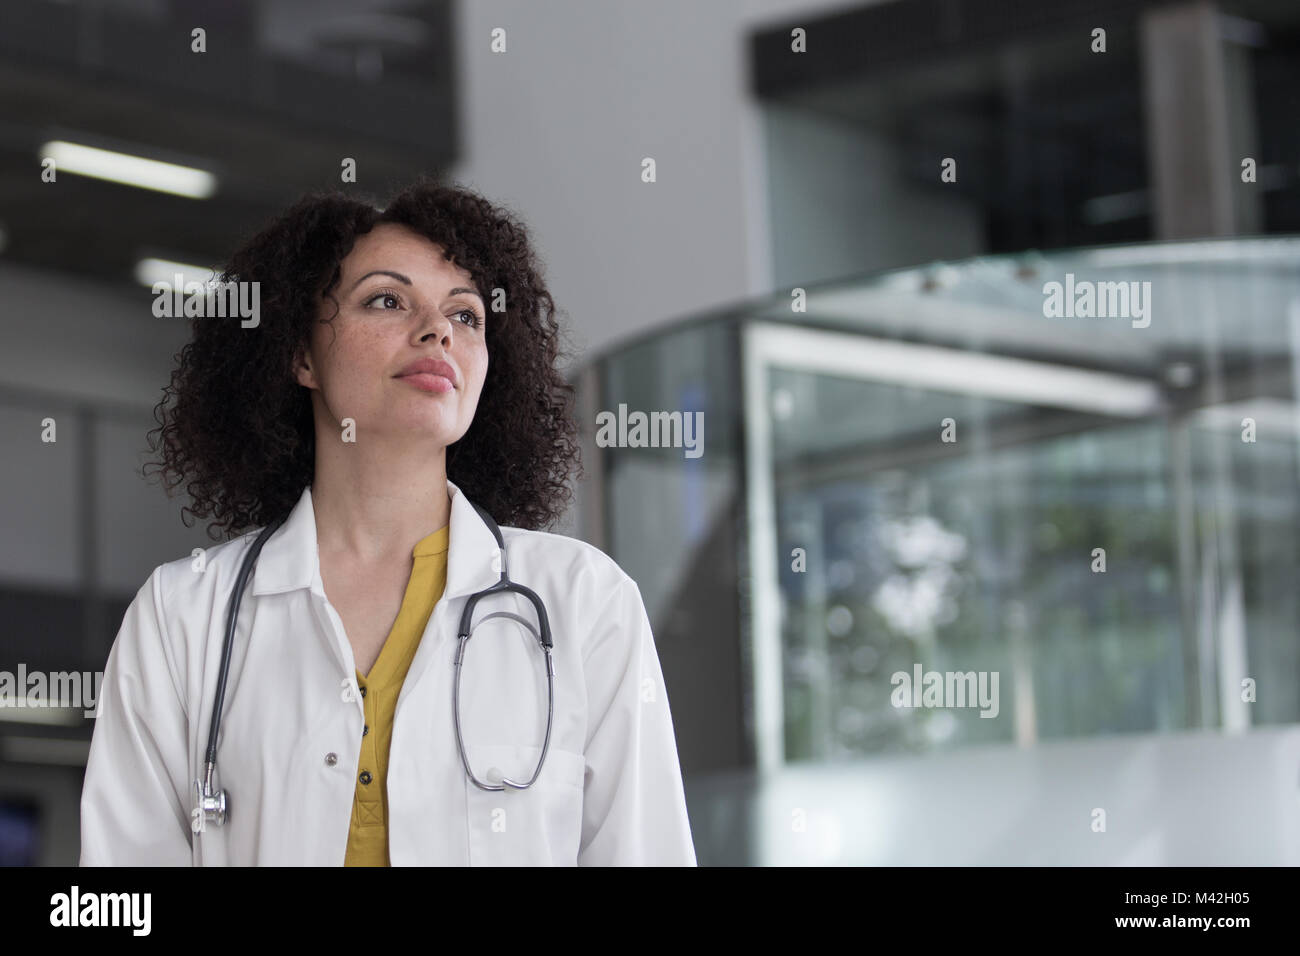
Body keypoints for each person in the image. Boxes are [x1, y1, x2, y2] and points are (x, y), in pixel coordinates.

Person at [79, 178, 697, 866]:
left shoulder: (585, 604)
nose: (438, 330)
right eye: (387, 300)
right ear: (301, 354)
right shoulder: (181, 617)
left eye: (466, 316)